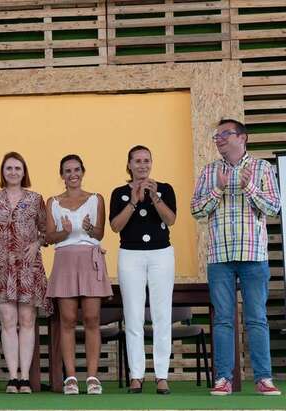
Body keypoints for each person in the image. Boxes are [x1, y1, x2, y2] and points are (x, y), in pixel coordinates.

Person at [191, 119, 282, 396]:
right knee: (222, 320)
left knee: (256, 318)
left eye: (225, 134)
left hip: (253, 254)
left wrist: (249, 188)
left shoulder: (262, 168)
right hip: (220, 255)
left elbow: (274, 207)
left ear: (243, 138)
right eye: (216, 136)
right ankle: (223, 379)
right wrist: (218, 189)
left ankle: (263, 379)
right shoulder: (210, 171)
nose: (218, 139)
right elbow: (196, 210)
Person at [0, 152, 51, 394]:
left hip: (28, 268)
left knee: (28, 321)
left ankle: (25, 378)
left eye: (17, 168)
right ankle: (12, 377)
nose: (13, 172)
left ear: (24, 171)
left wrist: (37, 244)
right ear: (3, 171)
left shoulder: (36, 199)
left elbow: (46, 231)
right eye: (9, 168)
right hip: (2, 268)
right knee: (8, 322)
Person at [109, 146, 176, 395]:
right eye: (137, 161)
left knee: (161, 315)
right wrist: (134, 201)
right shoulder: (119, 193)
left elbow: (170, 220)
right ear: (129, 164)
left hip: (161, 255)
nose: (142, 165)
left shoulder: (165, 189)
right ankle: (136, 375)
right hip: (130, 255)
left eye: (146, 160)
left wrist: (155, 197)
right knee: (133, 315)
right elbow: (115, 226)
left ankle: (162, 375)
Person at [45, 154, 111, 395]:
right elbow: (49, 237)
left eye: (76, 170)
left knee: (92, 318)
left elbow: (100, 233)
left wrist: (90, 228)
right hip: (64, 260)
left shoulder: (96, 199)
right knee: (68, 319)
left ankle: (92, 377)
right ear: (62, 175)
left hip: (89, 259)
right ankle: (70, 377)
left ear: (83, 172)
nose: (73, 174)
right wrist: (64, 232)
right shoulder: (52, 202)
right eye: (68, 171)